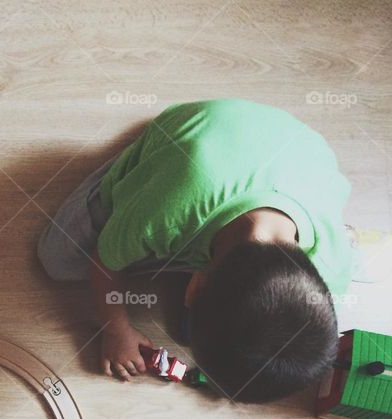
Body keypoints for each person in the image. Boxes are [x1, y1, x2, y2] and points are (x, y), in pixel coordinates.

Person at [38, 98, 354, 402]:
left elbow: (284, 340)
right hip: (187, 144)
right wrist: (116, 330)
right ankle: (135, 173)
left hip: (301, 149)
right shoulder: (165, 211)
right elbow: (106, 262)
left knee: (210, 335)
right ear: (193, 285)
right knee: (57, 259)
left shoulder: (334, 270)